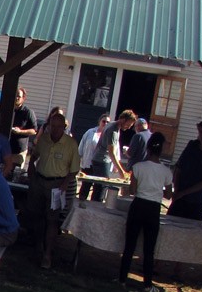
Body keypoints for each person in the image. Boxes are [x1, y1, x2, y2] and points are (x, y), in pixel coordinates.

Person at [118, 133, 173, 292]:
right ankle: (148, 283)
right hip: (153, 208)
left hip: (139, 205)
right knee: (149, 248)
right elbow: (169, 195)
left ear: (148, 148)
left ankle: (122, 279)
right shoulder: (166, 171)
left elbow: (133, 190)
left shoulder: (138, 167)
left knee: (130, 245)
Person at [26, 111, 81, 268]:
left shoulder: (71, 144)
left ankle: (47, 255)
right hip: (39, 181)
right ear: (48, 126)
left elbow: (75, 169)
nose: (55, 129)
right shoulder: (43, 139)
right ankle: (38, 247)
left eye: (58, 127)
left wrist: (65, 184)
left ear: (64, 127)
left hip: (57, 185)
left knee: (52, 220)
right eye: (52, 126)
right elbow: (34, 155)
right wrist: (31, 167)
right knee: (36, 215)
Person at [168, 120, 202, 221]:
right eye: (201, 132)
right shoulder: (191, 147)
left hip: (197, 201)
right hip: (180, 198)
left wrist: (183, 193)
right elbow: (178, 169)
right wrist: (176, 189)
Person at [90, 109, 137, 201]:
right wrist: (121, 171)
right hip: (102, 160)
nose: (128, 128)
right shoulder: (113, 130)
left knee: (98, 187)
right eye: (128, 124)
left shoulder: (110, 124)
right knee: (102, 187)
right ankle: (97, 206)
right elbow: (112, 153)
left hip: (97, 158)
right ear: (123, 119)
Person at [77, 114, 110, 199]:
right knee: (85, 186)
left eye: (108, 122)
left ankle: (95, 205)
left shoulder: (110, 135)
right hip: (88, 164)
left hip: (101, 166)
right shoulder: (90, 132)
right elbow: (81, 146)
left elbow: (115, 151)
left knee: (98, 189)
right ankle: (81, 204)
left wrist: (112, 167)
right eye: (104, 121)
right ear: (99, 121)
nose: (105, 123)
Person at [8, 87, 37, 168]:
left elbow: (34, 130)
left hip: (19, 151)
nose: (16, 98)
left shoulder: (28, 112)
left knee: (15, 174)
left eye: (19, 96)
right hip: (6, 149)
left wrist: (20, 131)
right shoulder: (8, 110)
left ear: (23, 98)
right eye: (15, 96)